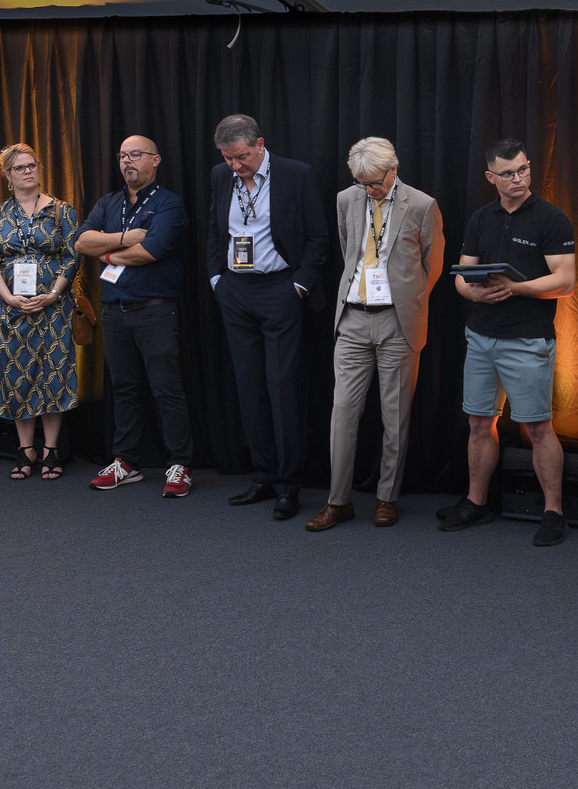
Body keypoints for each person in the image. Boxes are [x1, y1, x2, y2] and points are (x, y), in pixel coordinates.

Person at [439, 138, 576, 547]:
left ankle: (554, 513)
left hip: (527, 338)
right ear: (490, 177)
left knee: (537, 427)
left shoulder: (551, 218)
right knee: (479, 422)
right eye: (508, 173)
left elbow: (565, 281)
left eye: (523, 169)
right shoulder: (482, 218)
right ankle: (476, 502)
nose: (518, 178)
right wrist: (475, 294)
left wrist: (516, 288)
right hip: (481, 336)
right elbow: (461, 276)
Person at [305, 137, 444, 532]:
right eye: (361, 183)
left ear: (393, 170)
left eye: (375, 183)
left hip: (398, 323)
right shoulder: (346, 200)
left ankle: (387, 498)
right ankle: (338, 502)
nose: (368, 190)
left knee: (395, 417)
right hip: (352, 319)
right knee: (342, 413)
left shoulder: (422, 205)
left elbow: (433, 264)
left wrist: (410, 300)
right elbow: (348, 249)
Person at [207, 113, 329, 520]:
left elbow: (318, 237)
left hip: (280, 290)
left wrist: (299, 286)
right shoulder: (220, 176)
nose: (235, 165)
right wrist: (216, 279)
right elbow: (215, 231)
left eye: (241, 156)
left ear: (260, 144)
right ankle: (264, 475)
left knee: (282, 388)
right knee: (249, 388)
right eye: (228, 158)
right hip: (235, 292)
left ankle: (289, 484)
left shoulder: (297, 175)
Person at [73, 134, 194, 498]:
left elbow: (152, 251)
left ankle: (181, 464)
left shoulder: (169, 204)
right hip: (114, 312)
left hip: (155, 311)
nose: (127, 161)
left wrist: (106, 250)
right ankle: (126, 462)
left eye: (136, 154)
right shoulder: (109, 202)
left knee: (166, 389)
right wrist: (126, 238)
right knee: (123, 390)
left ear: (155, 160)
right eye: (123, 156)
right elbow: (81, 242)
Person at [0, 143, 78, 480]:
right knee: (16, 376)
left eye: (32, 165)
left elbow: (72, 257)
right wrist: (8, 297)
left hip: (53, 308)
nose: (28, 171)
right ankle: (25, 449)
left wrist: (53, 294)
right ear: (8, 176)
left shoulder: (61, 211)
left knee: (52, 374)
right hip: (12, 309)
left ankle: (50, 449)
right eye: (19, 167)